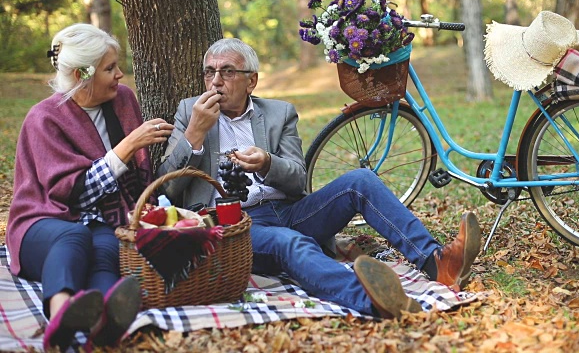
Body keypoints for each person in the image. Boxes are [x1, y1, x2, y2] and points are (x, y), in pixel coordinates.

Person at [157, 38, 482, 320]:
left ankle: (437, 262)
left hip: (289, 212)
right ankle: (374, 300)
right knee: (289, 243)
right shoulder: (190, 112)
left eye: (227, 71)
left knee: (361, 180)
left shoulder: (278, 113)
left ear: (251, 81)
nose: (215, 81)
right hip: (235, 227)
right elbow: (168, 188)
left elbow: (299, 180)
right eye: (209, 72)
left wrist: (268, 162)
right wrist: (194, 135)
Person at [6, 23, 174, 351]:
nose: (120, 75)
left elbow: (137, 177)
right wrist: (127, 146)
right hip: (43, 222)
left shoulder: (122, 100)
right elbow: (72, 193)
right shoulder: (43, 118)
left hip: (104, 219)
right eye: (110, 68)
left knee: (107, 248)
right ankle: (61, 314)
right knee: (74, 236)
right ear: (83, 74)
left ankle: (105, 322)